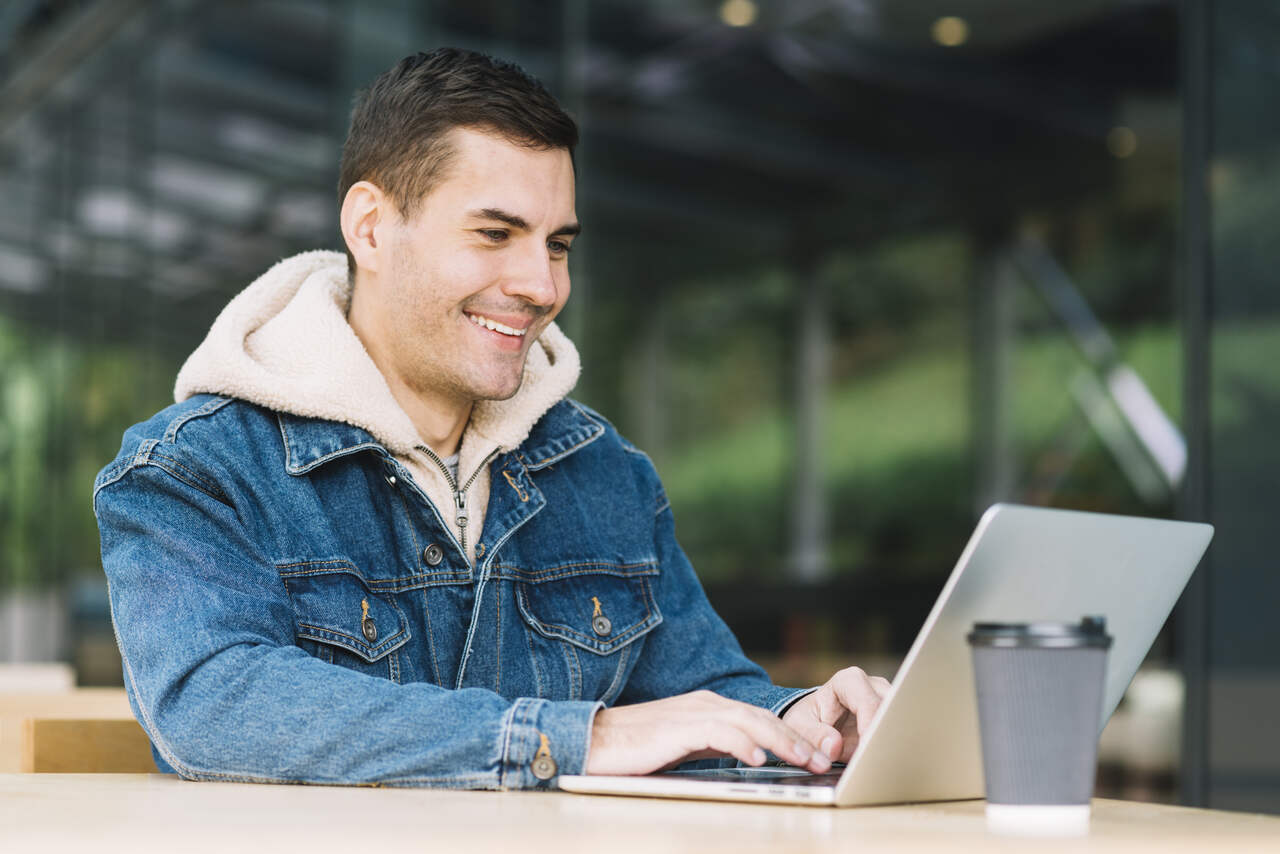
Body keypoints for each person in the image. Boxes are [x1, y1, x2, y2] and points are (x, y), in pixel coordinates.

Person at [94, 47, 889, 789]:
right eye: (496, 234)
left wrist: (800, 724)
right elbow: (213, 706)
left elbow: (703, 699)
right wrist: (583, 738)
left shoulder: (608, 474)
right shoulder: (192, 472)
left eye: (558, 244)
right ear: (370, 227)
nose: (541, 285)